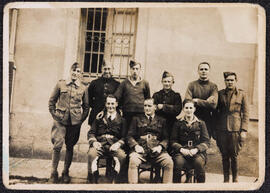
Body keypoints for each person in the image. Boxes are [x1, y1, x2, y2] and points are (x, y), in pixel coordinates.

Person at [48, 62, 89, 183]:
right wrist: (55, 115)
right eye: (74, 71)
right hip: (60, 120)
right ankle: (53, 172)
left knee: (70, 147)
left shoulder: (83, 88)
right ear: (70, 71)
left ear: (80, 74)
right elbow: (51, 101)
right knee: (57, 146)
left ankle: (66, 172)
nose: (75, 73)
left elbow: (86, 107)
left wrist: (80, 120)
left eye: (78, 71)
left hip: (74, 122)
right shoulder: (61, 84)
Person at [127, 98, 174, 184]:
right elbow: (129, 136)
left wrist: (160, 147)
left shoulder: (162, 120)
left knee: (169, 162)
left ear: (155, 107)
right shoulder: (136, 119)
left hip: (157, 151)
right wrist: (136, 146)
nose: (147, 108)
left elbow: (166, 138)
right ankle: (132, 188)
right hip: (141, 150)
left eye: (149, 106)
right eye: (145, 106)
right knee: (133, 160)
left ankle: (167, 188)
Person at [214, 72, 249, 183]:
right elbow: (215, 113)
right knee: (224, 155)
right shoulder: (219, 94)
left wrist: (243, 130)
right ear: (225, 81)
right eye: (228, 80)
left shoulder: (242, 94)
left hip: (235, 129)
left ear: (235, 81)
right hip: (222, 129)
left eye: (232, 80)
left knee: (234, 155)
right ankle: (225, 179)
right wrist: (215, 130)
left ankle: (235, 179)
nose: (230, 82)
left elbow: (246, 113)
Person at [87, 95, 127, 183]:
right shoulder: (99, 118)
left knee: (122, 156)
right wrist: (94, 142)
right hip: (100, 144)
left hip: (114, 145)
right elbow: (91, 132)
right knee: (91, 154)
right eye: (108, 103)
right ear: (105, 104)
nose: (110, 106)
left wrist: (118, 144)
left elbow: (125, 136)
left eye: (112, 103)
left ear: (116, 104)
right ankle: (93, 179)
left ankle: (115, 180)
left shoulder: (122, 120)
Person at [170, 99, 210, 183]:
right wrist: (181, 149)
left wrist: (196, 149)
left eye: (191, 108)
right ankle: (176, 188)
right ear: (183, 109)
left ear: (194, 109)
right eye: (186, 108)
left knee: (199, 163)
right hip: (181, 152)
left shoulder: (201, 123)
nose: (188, 110)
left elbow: (206, 142)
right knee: (178, 163)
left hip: (196, 152)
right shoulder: (177, 123)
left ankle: (201, 188)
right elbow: (173, 141)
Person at [185, 62, 218, 139]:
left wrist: (197, 100)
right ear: (198, 71)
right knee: (192, 141)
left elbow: (213, 105)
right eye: (201, 69)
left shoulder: (213, 86)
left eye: (206, 69)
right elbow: (187, 101)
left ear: (209, 71)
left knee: (205, 142)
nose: (203, 71)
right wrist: (206, 102)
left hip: (208, 119)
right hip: (194, 117)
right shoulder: (192, 85)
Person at [114, 59, 150, 127]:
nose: (135, 71)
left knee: (139, 133)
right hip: (127, 114)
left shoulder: (145, 83)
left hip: (141, 114)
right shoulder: (124, 83)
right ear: (130, 69)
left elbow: (148, 99)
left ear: (140, 70)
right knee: (127, 134)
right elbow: (116, 98)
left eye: (137, 69)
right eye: (133, 69)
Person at [88, 61, 120, 126]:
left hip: (111, 114)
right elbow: (89, 99)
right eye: (105, 69)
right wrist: (96, 107)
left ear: (113, 69)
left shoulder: (117, 84)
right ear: (101, 69)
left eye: (109, 69)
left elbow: (119, 101)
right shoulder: (94, 83)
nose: (107, 71)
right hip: (96, 114)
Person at [153, 71, 182, 136]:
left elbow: (177, 110)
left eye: (169, 82)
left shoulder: (176, 96)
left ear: (172, 82)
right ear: (162, 82)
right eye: (165, 81)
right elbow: (153, 109)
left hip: (171, 123)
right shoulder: (156, 95)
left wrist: (163, 107)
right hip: (158, 124)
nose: (167, 84)